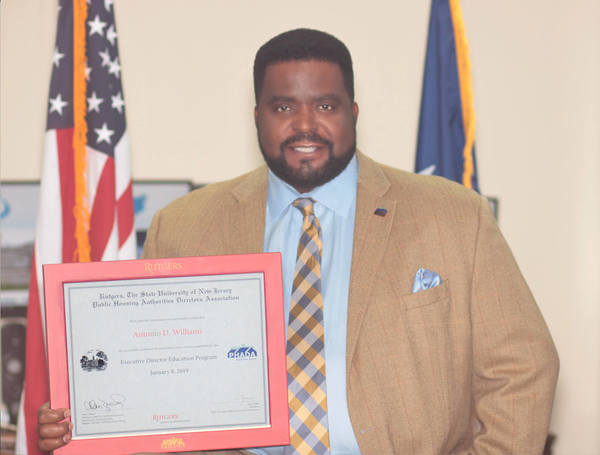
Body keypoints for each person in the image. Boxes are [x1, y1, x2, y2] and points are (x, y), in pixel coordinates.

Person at [37, 28, 558, 454]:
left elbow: (522, 366)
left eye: (326, 106)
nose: (305, 125)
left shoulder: (452, 215)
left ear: (353, 113)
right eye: (283, 108)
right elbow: (147, 383)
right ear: (257, 117)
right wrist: (81, 416)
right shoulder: (186, 225)